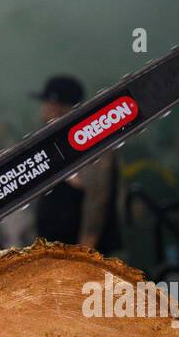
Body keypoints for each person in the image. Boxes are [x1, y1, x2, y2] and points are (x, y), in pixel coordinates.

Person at [29, 75, 121, 254]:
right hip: (58, 251)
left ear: (56, 105)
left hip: (84, 253)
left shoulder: (91, 139)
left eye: (46, 103)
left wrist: (85, 251)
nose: (42, 110)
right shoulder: (58, 143)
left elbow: (97, 197)